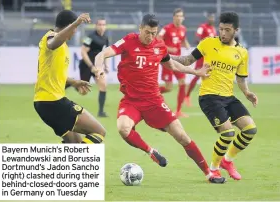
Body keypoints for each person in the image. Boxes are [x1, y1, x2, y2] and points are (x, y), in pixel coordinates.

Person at [94, 14, 225, 183]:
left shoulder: (159, 46)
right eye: (147, 32)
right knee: (123, 128)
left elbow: (171, 65)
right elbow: (102, 54)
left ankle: (209, 173)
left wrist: (196, 72)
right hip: (131, 101)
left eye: (154, 33)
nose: (150, 37)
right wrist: (98, 69)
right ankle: (151, 152)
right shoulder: (128, 41)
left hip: (154, 101)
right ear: (140, 28)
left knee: (182, 137)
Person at [171, 12, 258, 180]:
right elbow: (187, 60)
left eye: (227, 30)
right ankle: (214, 168)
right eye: (221, 29)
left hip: (229, 97)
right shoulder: (209, 43)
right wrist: (165, 56)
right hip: (209, 97)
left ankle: (228, 161)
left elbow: (240, 78)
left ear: (236, 30)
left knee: (250, 129)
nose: (223, 33)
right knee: (228, 133)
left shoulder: (242, 52)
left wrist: (247, 92)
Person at [34, 10, 106, 144]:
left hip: (44, 103)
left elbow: (52, 74)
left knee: (75, 144)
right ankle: (80, 164)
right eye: (74, 28)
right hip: (53, 102)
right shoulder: (51, 36)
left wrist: (73, 82)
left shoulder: (62, 46)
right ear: (68, 26)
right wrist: (76, 22)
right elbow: (53, 42)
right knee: (99, 131)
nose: (75, 31)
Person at [157, 8, 191, 117]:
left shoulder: (183, 29)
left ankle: (179, 111)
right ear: (174, 17)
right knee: (168, 88)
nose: (179, 18)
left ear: (183, 18)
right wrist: (167, 48)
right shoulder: (166, 28)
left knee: (183, 83)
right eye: (177, 16)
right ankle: (150, 92)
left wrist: (186, 44)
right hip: (167, 60)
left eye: (181, 16)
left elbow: (183, 39)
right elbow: (157, 39)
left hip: (178, 60)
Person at [185, 12, 217, 106]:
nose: (212, 19)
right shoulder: (203, 27)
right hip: (202, 55)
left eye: (213, 18)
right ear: (208, 18)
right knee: (197, 75)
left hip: (210, 56)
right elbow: (197, 37)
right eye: (210, 17)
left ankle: (210, 97)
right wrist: (204, 46)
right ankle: (187, 96)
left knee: (210, 75)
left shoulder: (213, 29)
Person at [79, 18, 109, 117]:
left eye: (103, 24)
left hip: (97, 67)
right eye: (100, 24)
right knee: (83, 91)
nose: (102, 26)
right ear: (96, 26)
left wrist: (106, 65)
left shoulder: (105, 38)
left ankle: (101, 112)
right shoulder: (90, 37)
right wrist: (91, 66)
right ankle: (71, 83)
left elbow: (105, 53)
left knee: (103, 85)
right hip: (86, 66)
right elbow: (83, 52)